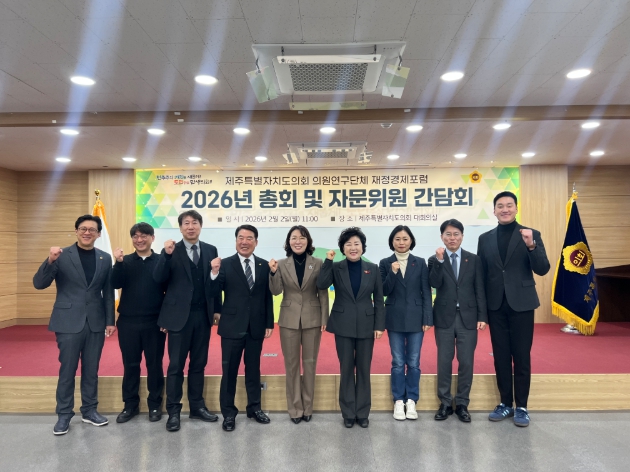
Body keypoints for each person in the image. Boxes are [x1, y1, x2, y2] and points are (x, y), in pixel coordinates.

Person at [33, 214, 115, 436]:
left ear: (98, 234)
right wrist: (50, 260)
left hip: (95, 322)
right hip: (68, 321)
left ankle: (89, 410)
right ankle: (64, 414)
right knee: (67, 369)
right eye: (83, 229)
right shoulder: (61, 256)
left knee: (91, 369)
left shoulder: (105, 258)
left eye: (92, 229)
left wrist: (110, 320)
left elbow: (108, 292)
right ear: (76, 231)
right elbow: (39, 283)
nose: (87, 232)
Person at [477, 191, 550, 427]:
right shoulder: (485, 238)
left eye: (509, 205)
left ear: (516, 209)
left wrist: (531, 246)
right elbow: (481, 276)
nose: (505, 209)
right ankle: (505, 403)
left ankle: (522, 406)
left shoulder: (530, 234)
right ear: (494, 210)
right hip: (496, 305)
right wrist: (482, 310)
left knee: (521, 355)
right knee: (500, 356)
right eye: (500, 206)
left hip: (522, 304)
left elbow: (543, 268)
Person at [153, 210, 222, 432]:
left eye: (194, 223)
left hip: (203, 316)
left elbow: (214, 281)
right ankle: (173, 411)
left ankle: (197, 407)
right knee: (176, 366)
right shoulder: (171, 250)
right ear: (180, 227)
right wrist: (166, 256)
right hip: (178, 318)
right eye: (186, 223)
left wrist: (217, 309)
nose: (190, 227)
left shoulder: (211, 250)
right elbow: (158, 278)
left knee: (199, 364)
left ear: (200, 226)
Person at [317, 227, 385, 428]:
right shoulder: (336, 267)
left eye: (357, 244)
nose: (353, 248)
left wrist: (379, 325)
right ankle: (348, 412)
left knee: (364, 369)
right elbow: (321, 284)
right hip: (343, 323)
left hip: (367, 324)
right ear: (342, 248)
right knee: (346, 368)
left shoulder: (372, 268)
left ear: (363, 247)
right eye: (348, 244)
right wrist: (328, 261)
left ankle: (362, 413)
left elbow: (379, 299)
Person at [209, 225, 274, 432]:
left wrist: (269, 323)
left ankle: (255, 408)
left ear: (256, 242)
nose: (244, 242)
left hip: (256, 326)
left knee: (253, 369)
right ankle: (228, 414)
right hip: (232, 326)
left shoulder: (264, 265)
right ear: (236, 240)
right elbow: (213, 291)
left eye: (249, 238)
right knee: (229, 371)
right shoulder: (225, 264)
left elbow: (267, 297)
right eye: (240, 238)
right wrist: (213, 273)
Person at [427, 219, 487, 423]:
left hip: (468, 317)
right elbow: (434, 283)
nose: (452, 238)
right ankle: (444, 403)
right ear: (442, 237)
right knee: (444, 361)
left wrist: (482, 316)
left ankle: (462, 403)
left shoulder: (474, 259)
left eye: (456, 234)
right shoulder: (434, 259)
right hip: (444, 317)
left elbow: (480, 288)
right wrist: (440, 261)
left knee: (466, 361)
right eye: (448, 234)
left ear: (462, 236)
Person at [268, 226, 329, 424]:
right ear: (288, 242)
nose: (298, 241)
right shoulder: (281, 264)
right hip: (289, 319)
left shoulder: (318, 263)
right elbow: (276, 291)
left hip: (313, 318)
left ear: (308, 241)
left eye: (302, 238)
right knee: (292, 365)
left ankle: (308, 407)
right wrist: (273, 273)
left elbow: (322, 292)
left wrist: (324, 318)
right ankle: (295, 408)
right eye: (294, 238)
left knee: (310, 364)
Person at [111, 222, 166, 424]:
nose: (139, 240)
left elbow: (170, 291)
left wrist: (166, 320)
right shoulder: (124, 261)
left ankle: (155, 405)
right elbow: (115, 283)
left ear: (152, 238)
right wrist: (117, 263)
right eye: (135, 236)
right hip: (128, 322)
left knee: (154, 365)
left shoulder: (161, 261)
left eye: (144, 236)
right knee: (130, 365)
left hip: (155, 323)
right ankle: (130, 405)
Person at [379, 225, 432, 421]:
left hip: (416, 318)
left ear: (411, 241)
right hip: (394, 317)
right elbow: (383, 291)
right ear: (392, 241)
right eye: (397, 239)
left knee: (414, 362)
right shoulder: (385, 263)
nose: (401, 242)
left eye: (405, 239)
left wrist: (427, 318)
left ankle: (412, 400)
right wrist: (392, 273)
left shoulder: (420, 262)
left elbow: (426, 292)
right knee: (398, 362)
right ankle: (398, 400)